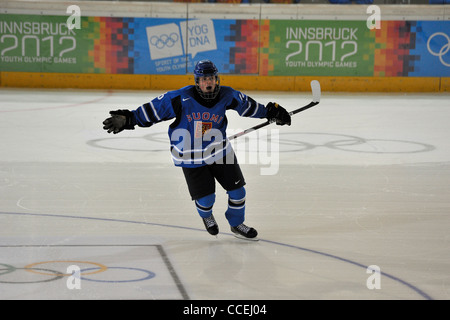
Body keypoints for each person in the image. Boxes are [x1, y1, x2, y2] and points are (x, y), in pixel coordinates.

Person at [102, 60, 291, 240]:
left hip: (219, 151)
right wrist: (129, 119)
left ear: (217, 79)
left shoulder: (227, 95)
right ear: (197, 82)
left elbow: (248, 106)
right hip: (190, 156)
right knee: (207, 199)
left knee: (238, 191)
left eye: (211, 78)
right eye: (204, 79)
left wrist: (271, 112)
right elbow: (152, 111)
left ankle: (237, 223)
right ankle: (207, 215)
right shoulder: (179, 98)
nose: (209, 82)